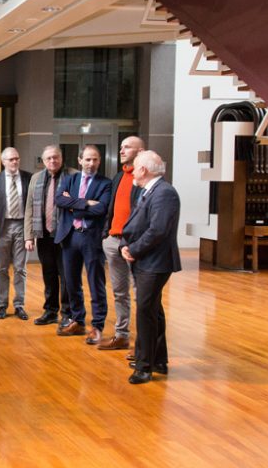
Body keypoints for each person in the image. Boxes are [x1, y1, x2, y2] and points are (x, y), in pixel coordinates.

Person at [120, 151, 181, 384]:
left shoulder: (164, 193)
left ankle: (144, 367)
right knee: (153, 310)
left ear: (143, 170)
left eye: (135, 167)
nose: (133, 171)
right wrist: (127, 245)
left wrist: (133, 249)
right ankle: (158, 360)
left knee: (145, 311)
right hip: (145, 260)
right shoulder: (150, 190)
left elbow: (158, 230)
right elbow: (136, 223)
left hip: (154, 262)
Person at [54, 145, 112, 344]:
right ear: (80, 160)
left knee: (96, 282)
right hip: (70, 237)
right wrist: (87, 203)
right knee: (71, 282)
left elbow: (102, 209)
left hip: (91, 238)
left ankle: (97, 326)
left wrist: (74, 205)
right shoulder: (70, 179)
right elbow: (59, 200)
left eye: (95, 159)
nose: (91, 163)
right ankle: (78, 321)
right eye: (87, 159)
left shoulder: (106, 183)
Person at [99, 136, 145, 351]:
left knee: (140, 294)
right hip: (112, 240)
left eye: (127, 147)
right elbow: (111, 209)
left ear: (141, 150)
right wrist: (106, 234)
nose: (122, 150)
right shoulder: (118, 177)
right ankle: (121, 335)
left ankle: (144, 342)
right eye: (121, 147)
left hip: (133, 244)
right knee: (119, 292)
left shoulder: (144, 179)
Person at [23, 145, 75, 328]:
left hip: (67, 235)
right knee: (49, 273)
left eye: (56, 157)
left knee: (67, 275)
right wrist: (28, 236)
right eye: (49, 158)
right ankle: (51, 311)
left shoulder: (73, 176)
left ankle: (68, 313)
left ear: (61, 158)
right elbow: (29, 207)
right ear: (43, 161)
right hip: (44, 234)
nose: (53, 161)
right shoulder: (36, 178)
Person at [0, 147, 32, 319]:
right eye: (11, 159)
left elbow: (33, 206)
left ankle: (19, 304)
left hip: (22, 226)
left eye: (17, 158)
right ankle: (2, 304)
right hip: (3, 227)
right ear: (3, 162)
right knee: (2, 268)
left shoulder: (28, 177)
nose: (15, 162)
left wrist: (31, 233)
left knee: (20, 269)